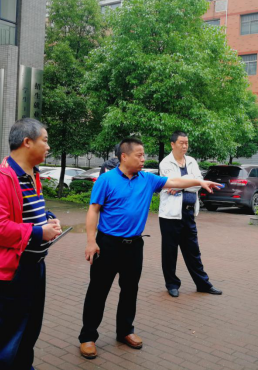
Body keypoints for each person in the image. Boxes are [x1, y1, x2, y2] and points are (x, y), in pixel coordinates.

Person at [78, 137, 221, 360]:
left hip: (134, 245)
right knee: (98, 291)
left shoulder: (147, 179)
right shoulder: (106, 179)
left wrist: (199, 182)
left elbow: (174, 181)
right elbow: (93, 210)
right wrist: (90, 241)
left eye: (144, 155)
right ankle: (88, 337)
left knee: (130, 290)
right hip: (107, 244)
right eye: (139, 155)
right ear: (124, 156)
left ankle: (125, 331)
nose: (143, 159)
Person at [0, 119, 62, 370]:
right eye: (45, 140)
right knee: (1, 342)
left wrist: (47, 219)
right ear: (27, 142)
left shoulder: (32, 175)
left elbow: (27, 212)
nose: (48, 147)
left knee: (28, 332)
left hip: (35, 267)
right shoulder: (0, 179)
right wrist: (38, 232)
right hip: (11, 272)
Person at [158, 131, 222, 298]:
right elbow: (171, 183)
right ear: (173, 144)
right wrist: (188, 181)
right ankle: (172, 284)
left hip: (188, 212)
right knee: (170, 251)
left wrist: (182, 184)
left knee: (193, 251)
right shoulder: (165, 163)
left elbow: (198, 184)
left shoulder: (192, 161)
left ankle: (203, 284)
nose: (185, 146)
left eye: (186, 143)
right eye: (181, 143)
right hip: (170, 215)